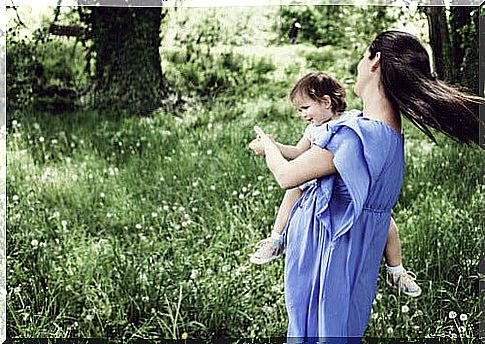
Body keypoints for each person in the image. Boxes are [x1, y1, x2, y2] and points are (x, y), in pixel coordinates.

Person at [250, 31, 482, 338]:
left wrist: (268, 145)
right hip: (352, 260)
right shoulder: (389, 134)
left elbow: (286, 177)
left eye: (363, 56)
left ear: (376, 62)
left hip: (327, 255)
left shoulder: (355, 134)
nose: (359, 64)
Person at [248, 72, 421, 298]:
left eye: (305, 108)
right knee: (294, 189)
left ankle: (396, 270)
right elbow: (298, 153)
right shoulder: (312, 130)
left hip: (348, 185)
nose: (301, 114)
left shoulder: (350, 121)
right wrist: (272, 146)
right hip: (319, 181)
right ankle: (277, 239)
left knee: (386, 221)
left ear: (326, 102)